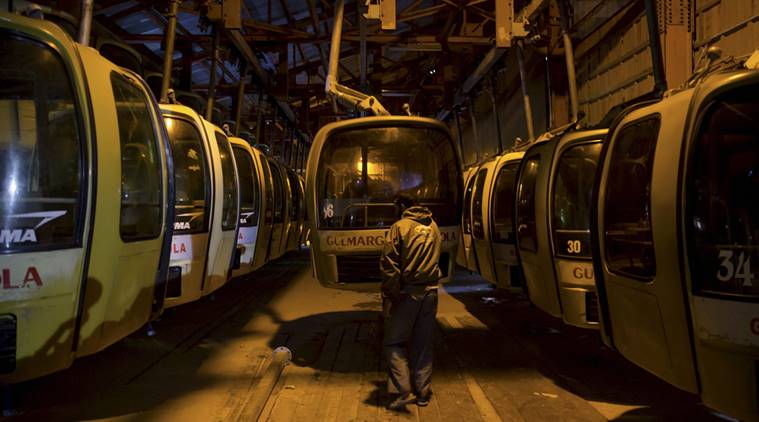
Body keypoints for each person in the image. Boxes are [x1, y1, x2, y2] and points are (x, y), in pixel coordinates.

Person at [380, 194, 443, 410]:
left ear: (402, 207)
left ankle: (403, 390)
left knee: (393, 343)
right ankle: (423, 394)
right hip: (432, 291)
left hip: (409, 293)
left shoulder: (399, 227)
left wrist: (390, 294)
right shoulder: (433, 225)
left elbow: (389, 265)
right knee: (423, 344)